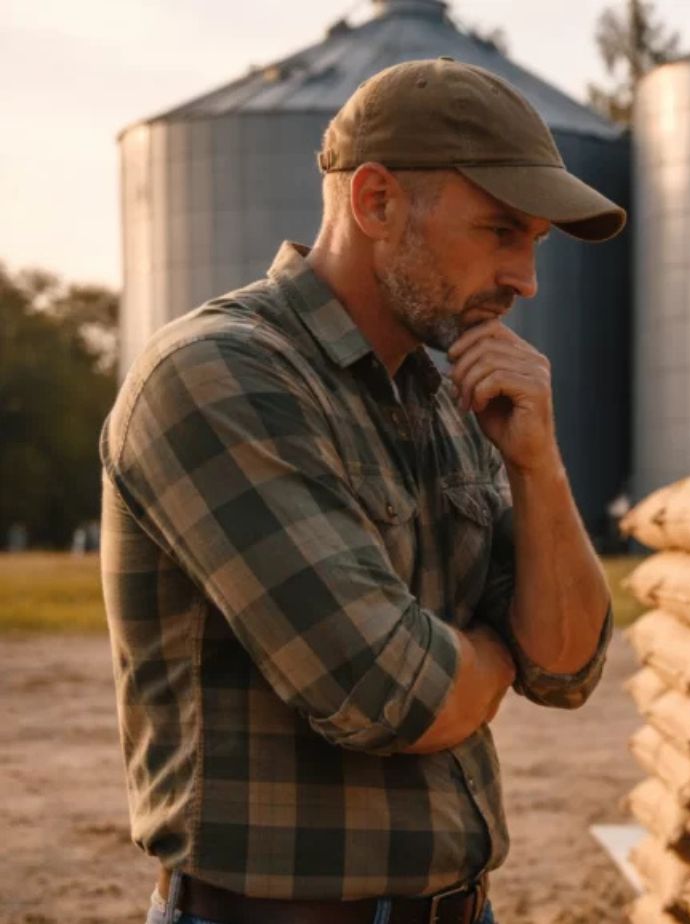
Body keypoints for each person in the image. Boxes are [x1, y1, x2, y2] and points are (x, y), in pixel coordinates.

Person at [100, 57, 623, 924]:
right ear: (375, 202)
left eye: (534, 242)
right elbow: (389, 696)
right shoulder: (218, 375)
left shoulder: (453, 396)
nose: (527, 279)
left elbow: (568, 667)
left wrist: (540, 466)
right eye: (501, 231)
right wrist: (496, 655)